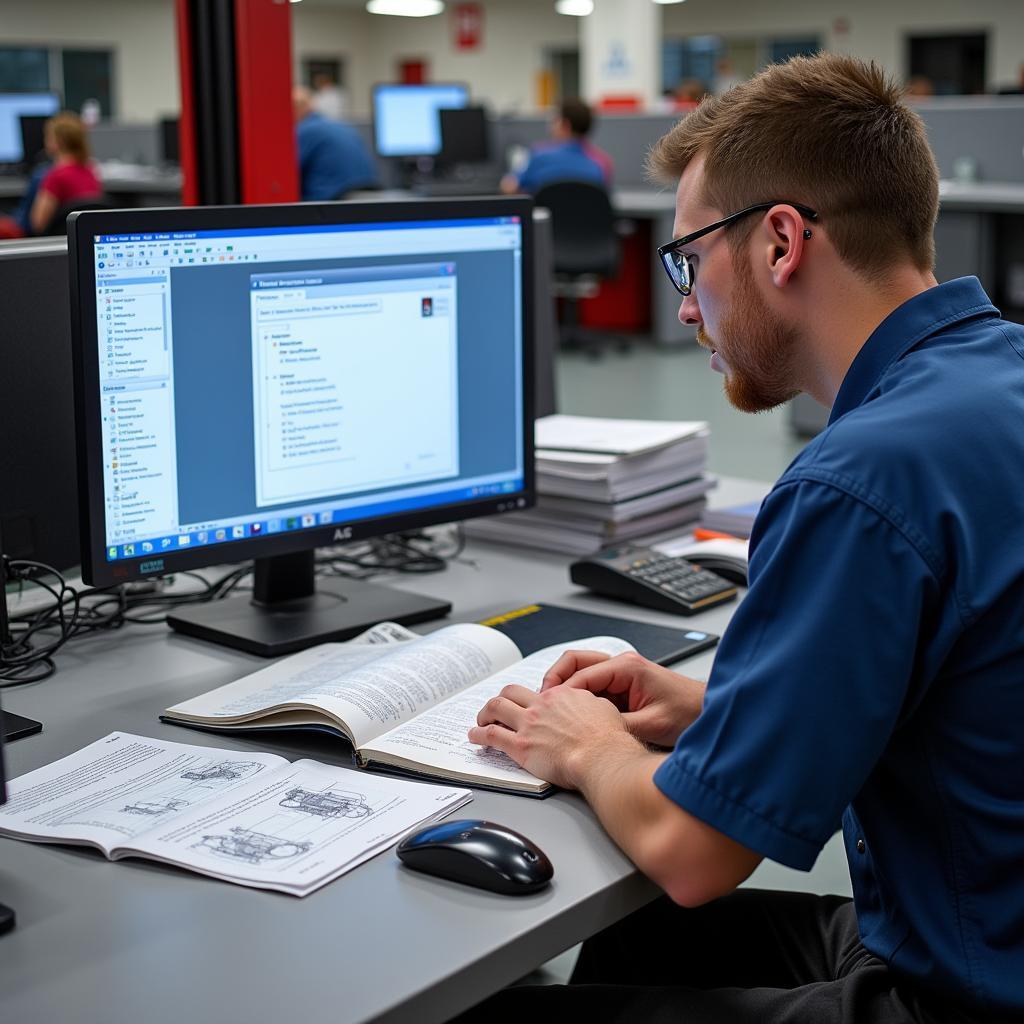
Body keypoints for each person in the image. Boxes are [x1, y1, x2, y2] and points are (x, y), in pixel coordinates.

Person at [460, 52, 1024, 1023]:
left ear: (778, 243)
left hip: (968, 992)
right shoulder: (996, 375)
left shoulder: (859, 480)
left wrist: (589, 745)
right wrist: (708, 702)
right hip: (993, 917)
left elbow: (692, 854)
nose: (684, 304)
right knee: (639, 940)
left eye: (690, 258)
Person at [501, 97, 612, 195]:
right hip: (586, 218)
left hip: (547, 218)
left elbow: (508, 187)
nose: (551, 125)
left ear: (565, 125)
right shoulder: (602, 162)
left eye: (555, 120)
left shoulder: (539, 155)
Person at [293, 85, 377, 201]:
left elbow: (288, 173)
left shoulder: (305, 130)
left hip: (330, 201)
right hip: (367, 193)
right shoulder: (341, 126)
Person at [29, 112, 102, 236]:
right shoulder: (90, 170)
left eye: (48, 137)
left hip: (54, 241)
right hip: (82, 237)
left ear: (58, 141)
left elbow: (38, 224)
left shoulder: (55, 176)